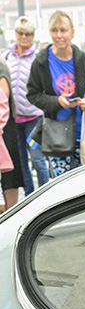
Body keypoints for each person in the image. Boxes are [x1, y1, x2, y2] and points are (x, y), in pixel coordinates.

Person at [26, 10, 85, 177]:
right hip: (56, 135)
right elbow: (32, 94)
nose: (59, 35)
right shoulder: (41, 62)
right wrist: (56, 101)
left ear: (72, 32)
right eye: (54, 31)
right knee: (62, 187)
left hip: (84, 135)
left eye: (63, 30)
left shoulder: (84, 60)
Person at [3, 16, 50, 194]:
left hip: (33, 117)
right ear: (16, 34)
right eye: (21, 33)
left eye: (28, 34)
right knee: (21, 162)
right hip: (14, 119)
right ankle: (31, 196)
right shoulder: (7, 56)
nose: (24, 37)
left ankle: (46, 194)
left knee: (37, 159)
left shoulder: (37, 58)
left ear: (33, 36)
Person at [0, 56, 22, 211]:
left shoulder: (1, 66)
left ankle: (11, 212)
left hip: (4, 126)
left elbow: (3, 99)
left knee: (10, 174)